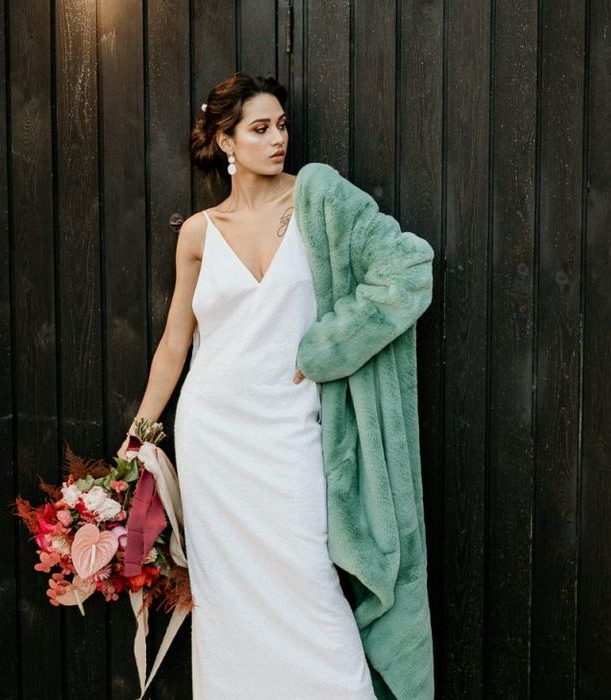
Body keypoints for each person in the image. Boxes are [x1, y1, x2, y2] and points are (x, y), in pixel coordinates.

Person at [117, 71, 434, 699]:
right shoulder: (200, 233)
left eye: (282, 125)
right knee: (226, 602)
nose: (277, 139)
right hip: (215, 439)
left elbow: (409, 267)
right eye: (260, 129)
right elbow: (176, 342)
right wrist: (140, 433)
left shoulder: (319, 202)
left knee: (311, 583)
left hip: (292, 431)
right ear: (226, 141)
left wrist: (327, 347)